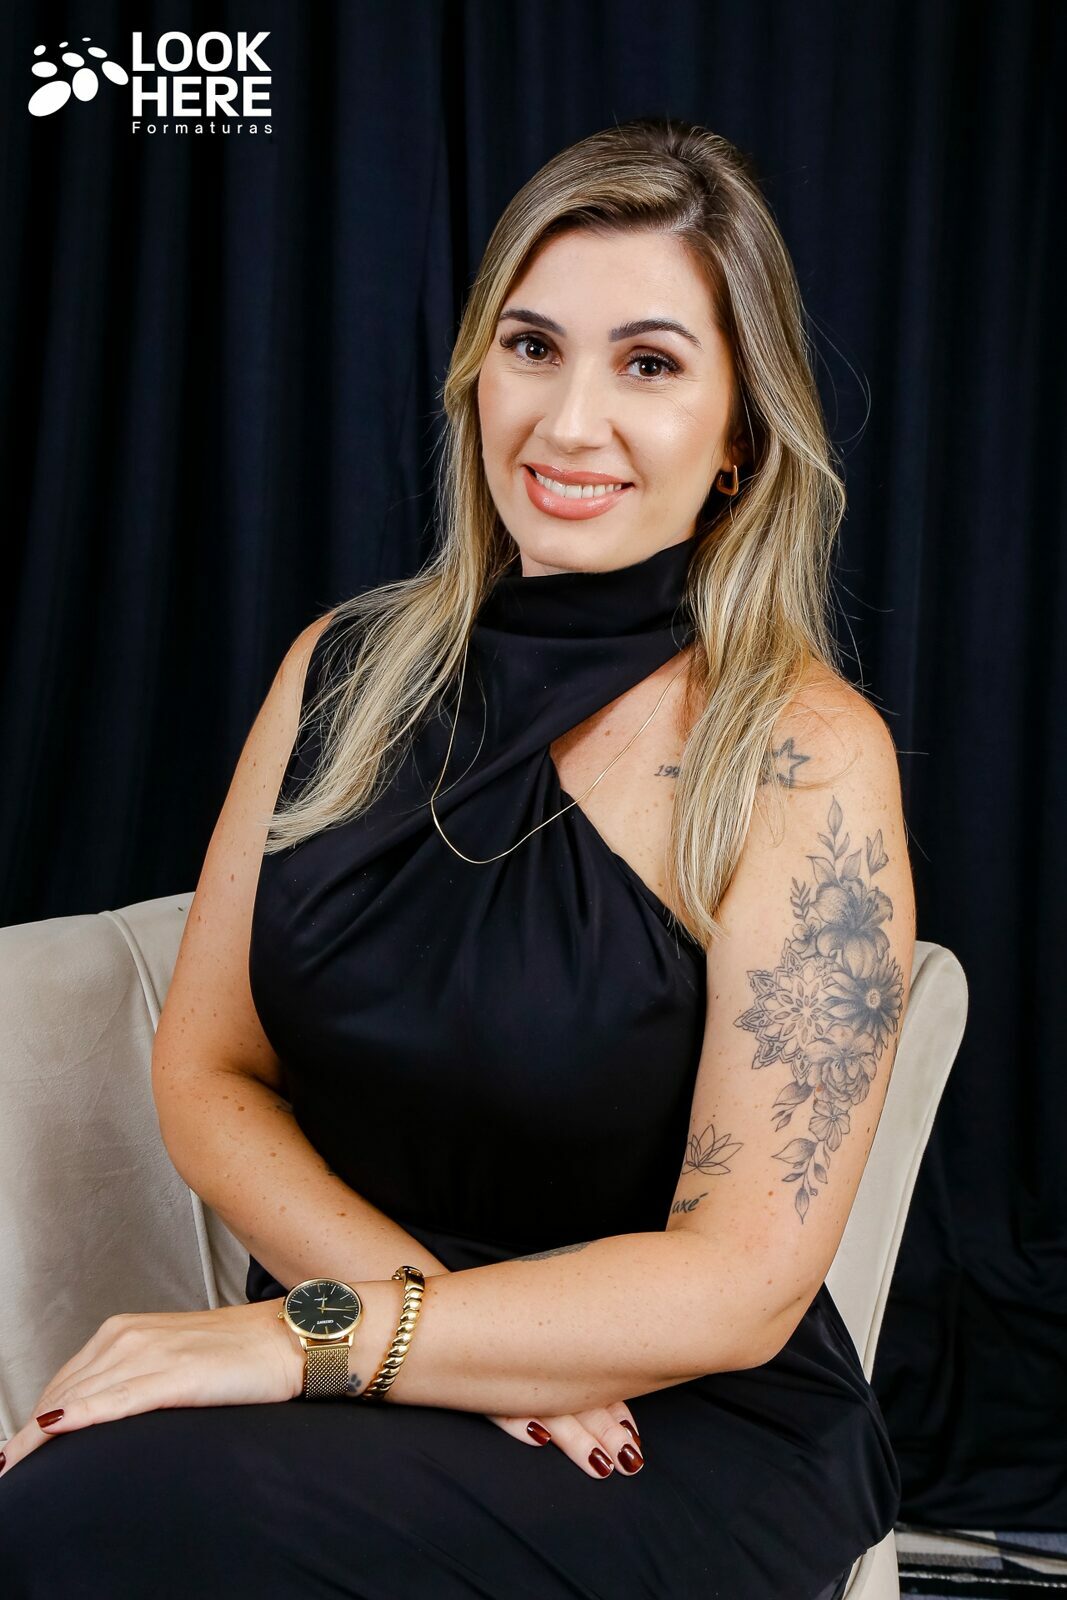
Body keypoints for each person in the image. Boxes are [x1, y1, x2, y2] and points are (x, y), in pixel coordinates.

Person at [0, 116, 912, 1599]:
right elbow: (209, 1073)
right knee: (81, 1508)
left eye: (650, 365)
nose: (568, 421)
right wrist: (432, 1339)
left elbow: (742, 1284)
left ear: (742, 433)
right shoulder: (342, 671)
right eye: (532, 347)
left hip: (664, 1422)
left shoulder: (804, 754)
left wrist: (303, 1339)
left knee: (87, 1519)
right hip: (387, 1352)